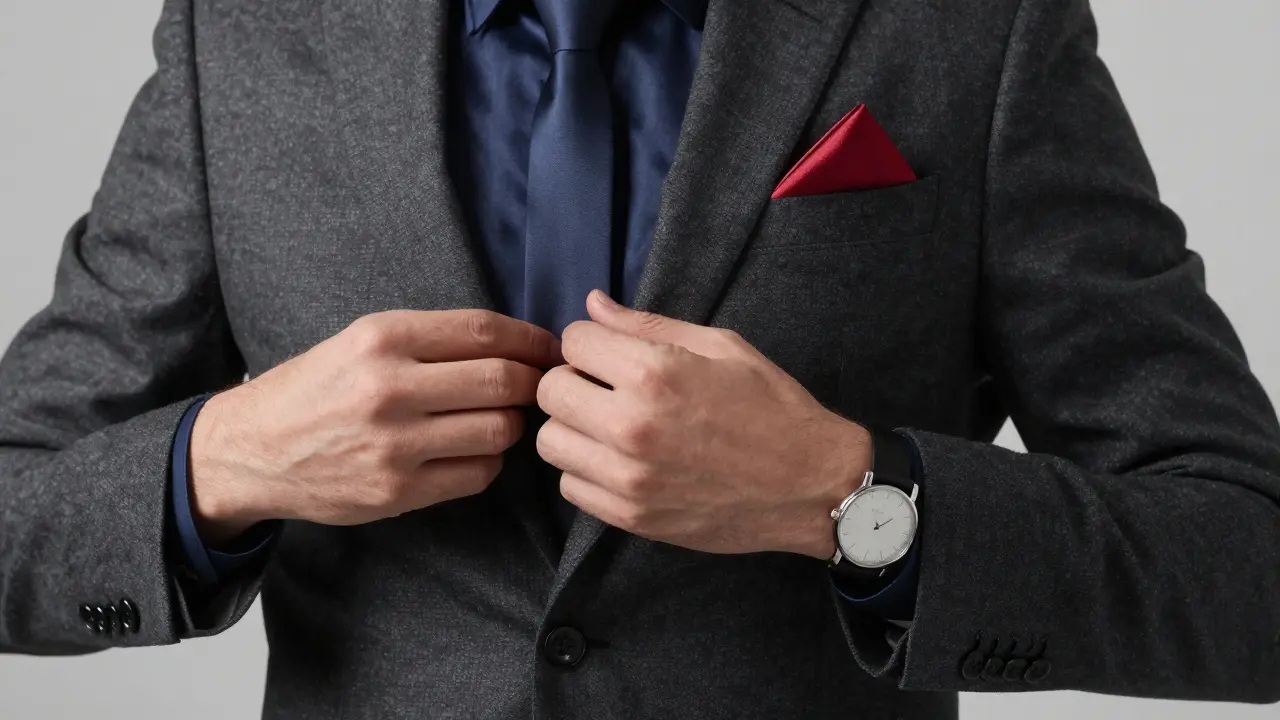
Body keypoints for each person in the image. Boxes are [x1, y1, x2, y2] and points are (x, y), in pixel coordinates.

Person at [1, 0, 1278, 717]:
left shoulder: (968, 30)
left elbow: (1244, 570)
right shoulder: (249, 38)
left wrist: (847, 500)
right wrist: (217, 462)